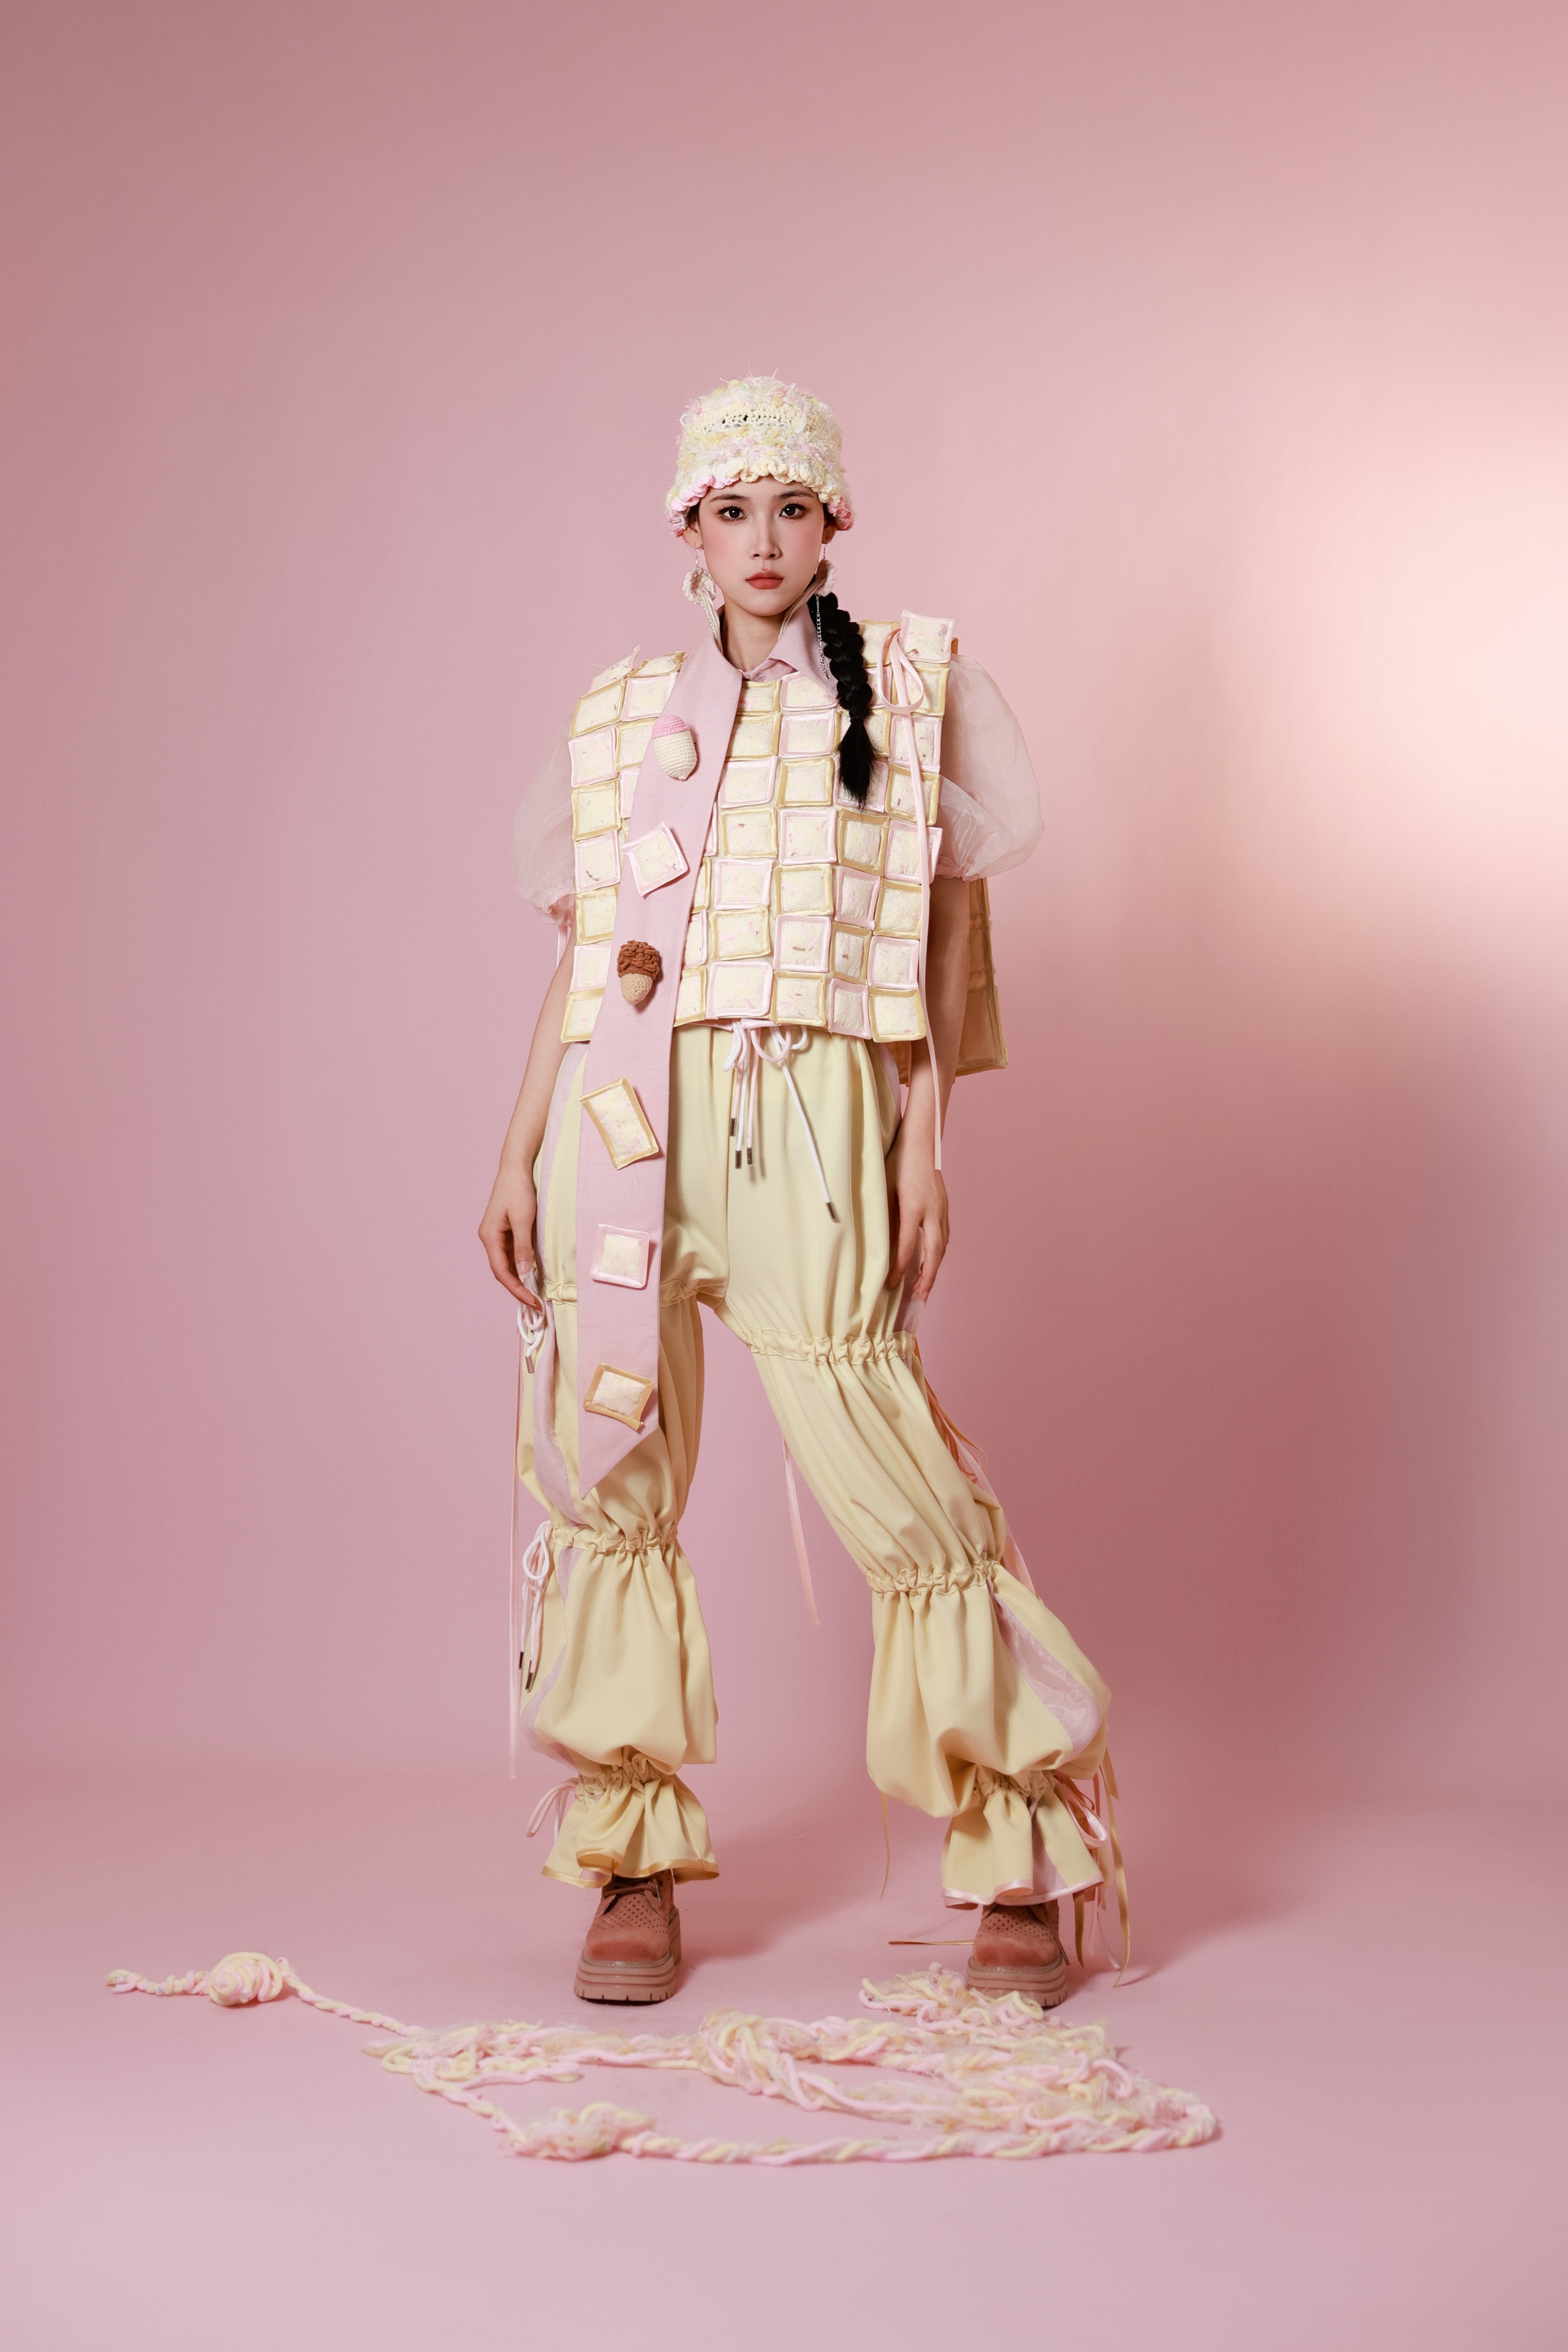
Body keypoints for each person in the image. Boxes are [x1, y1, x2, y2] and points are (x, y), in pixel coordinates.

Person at [480, 376, 1118, 2008]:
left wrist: (922, 1144)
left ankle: (1023, 1849)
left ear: (835, 523)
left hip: (811, 1114)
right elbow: (589, 955)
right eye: (729, 510)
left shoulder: (908, 684)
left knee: (883, 1457)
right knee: (608, 1467)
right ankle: (628, 1858)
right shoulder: (624, 710)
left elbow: (949, 929)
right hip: (623, 1109)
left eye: (790, 508)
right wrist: (518, 1145)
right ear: (685, 533)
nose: (760, 539)